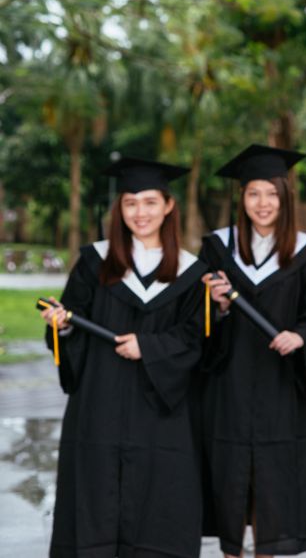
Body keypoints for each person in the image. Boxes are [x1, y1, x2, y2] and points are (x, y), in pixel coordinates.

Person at [40, 158, 207, 557]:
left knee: (158, 503)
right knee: (95, 501)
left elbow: (196, 342)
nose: (140, 212)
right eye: (130, 203)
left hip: (159, 417)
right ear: (120, 210)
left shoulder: (190, 273)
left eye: (150, 202)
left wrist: (147, 347)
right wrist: (61, 325)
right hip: (99, 408)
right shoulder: (93, 264)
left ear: (168, 206)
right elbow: (70, 321)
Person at [199, 144, 306, 557]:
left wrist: (302, 336)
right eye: (254, 193)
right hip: (230, 386)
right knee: (230, 485)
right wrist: (216, 306)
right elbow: (193, 319)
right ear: (241, 198)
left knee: (274, 492)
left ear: (284, 198)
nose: (262, 203)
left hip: (282, 389)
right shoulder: (217, 250)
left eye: (272, 193)